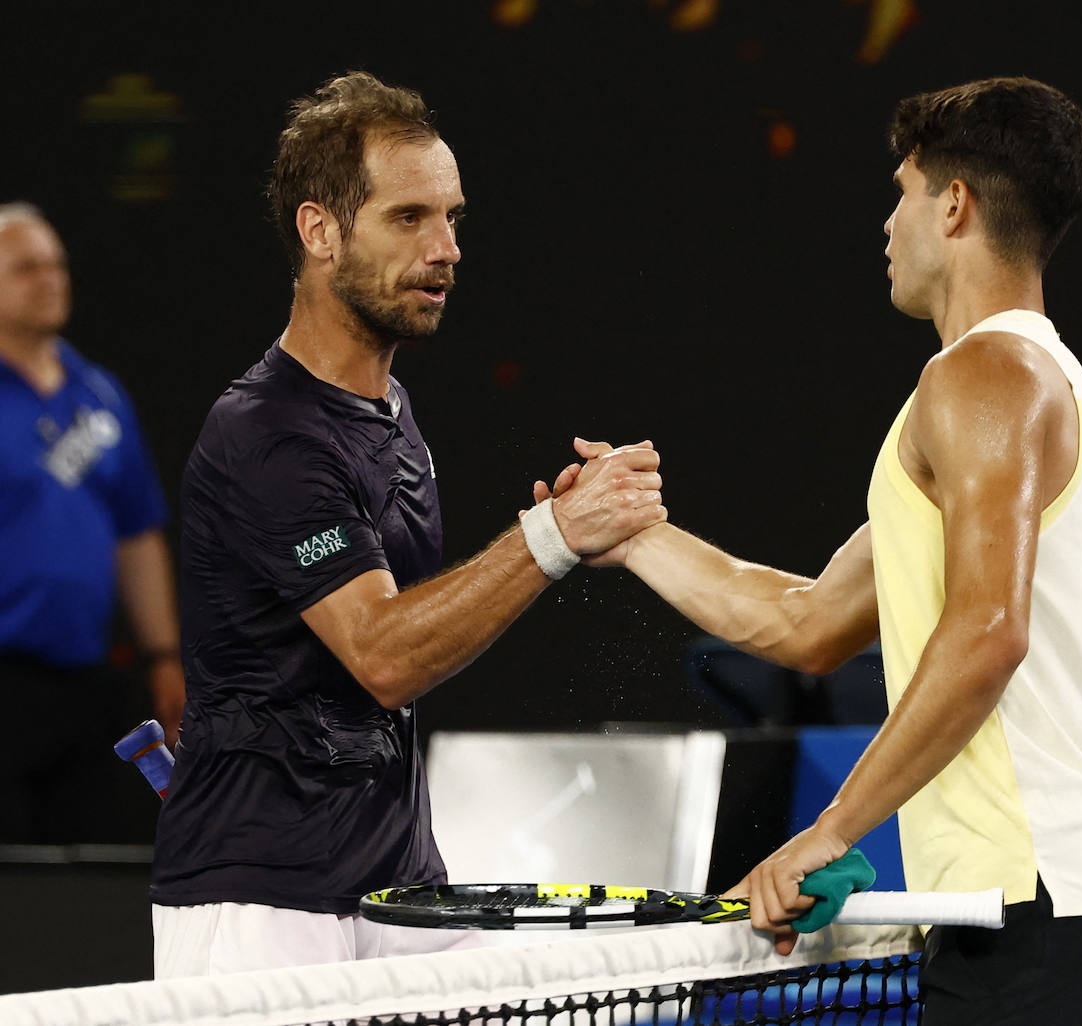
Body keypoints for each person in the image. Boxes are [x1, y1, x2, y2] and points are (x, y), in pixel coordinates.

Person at [551, 78, 1082, 1023]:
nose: (888, 223)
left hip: (1044, 910)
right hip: (1044, 914)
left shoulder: (986, 376)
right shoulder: (1010, 385)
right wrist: (633, 537)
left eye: (903, 192)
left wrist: (831, 830)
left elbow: (988, 634)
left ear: (955, 204)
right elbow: (804, 623)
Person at [148, 72, 665, 977]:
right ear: (319, 232)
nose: (447, 249)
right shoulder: (264, 435)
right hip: (261, 903)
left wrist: (550, 533)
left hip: (392, 888)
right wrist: (548, 540)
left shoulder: (391, 413)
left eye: (453, 218)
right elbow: (383, 656)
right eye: (409, 219)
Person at [0, 203, 184, 844]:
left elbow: (137, 532)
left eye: (56, 265)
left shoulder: (98, 393)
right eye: (27, 268)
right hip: (4, 674)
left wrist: (162, 655)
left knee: (83, 874)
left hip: (86, 677)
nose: (50, 279)